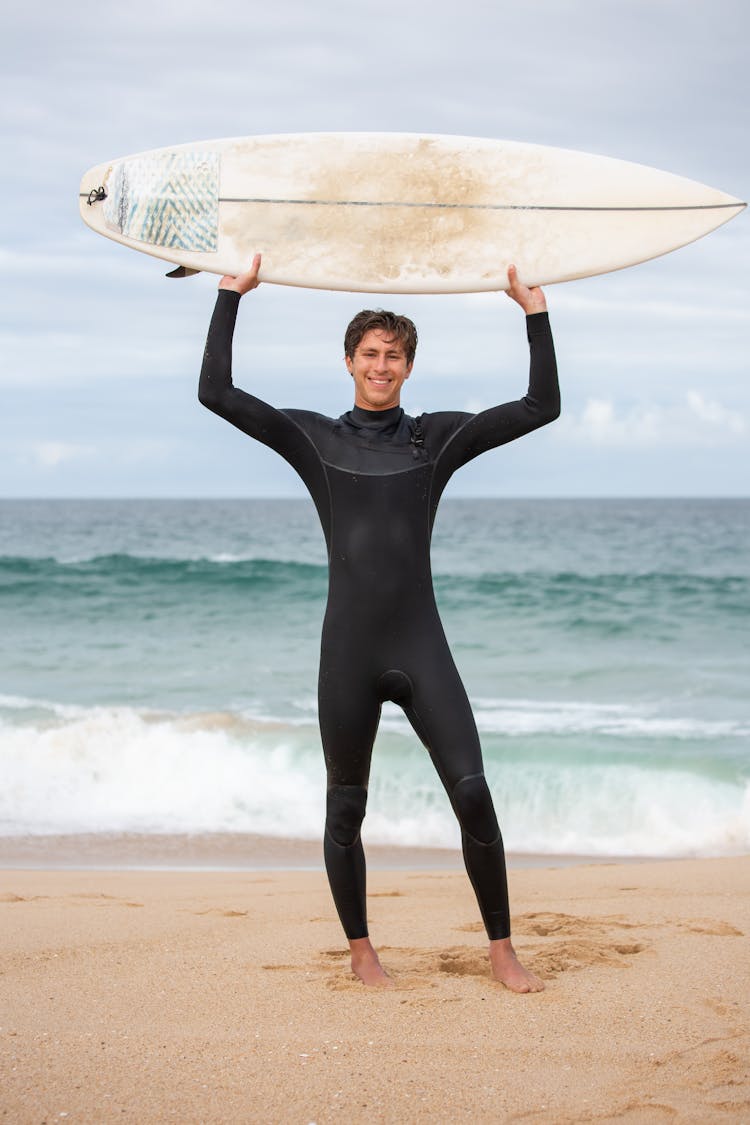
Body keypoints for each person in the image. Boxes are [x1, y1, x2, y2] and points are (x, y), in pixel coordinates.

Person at [199, 255, 559, 992]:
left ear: (409, 365)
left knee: (471, 790)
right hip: (350, 651)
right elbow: (218, 393)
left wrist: (535, 312)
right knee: (345, 806)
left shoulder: (438, 440)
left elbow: (538, 406)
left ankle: (501, 946)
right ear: (349, 361)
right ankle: (361, 950)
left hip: (420, 641)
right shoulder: (313, 439)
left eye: (394, 355)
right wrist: (230, 295)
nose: (382, 365)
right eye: (370, 354)